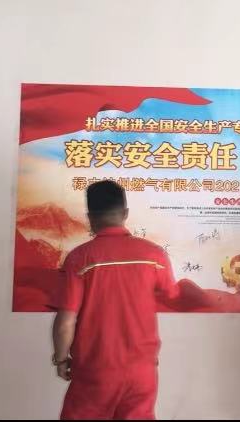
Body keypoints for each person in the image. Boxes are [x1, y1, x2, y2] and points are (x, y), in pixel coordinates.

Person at [52, 180, 177, 420]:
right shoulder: (155, 255)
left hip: (96, 370)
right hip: (143, 371)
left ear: (90, 217)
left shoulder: (80, 258)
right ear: (125, 213)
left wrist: (60, 359)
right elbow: (172, 295)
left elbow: (66, 322)